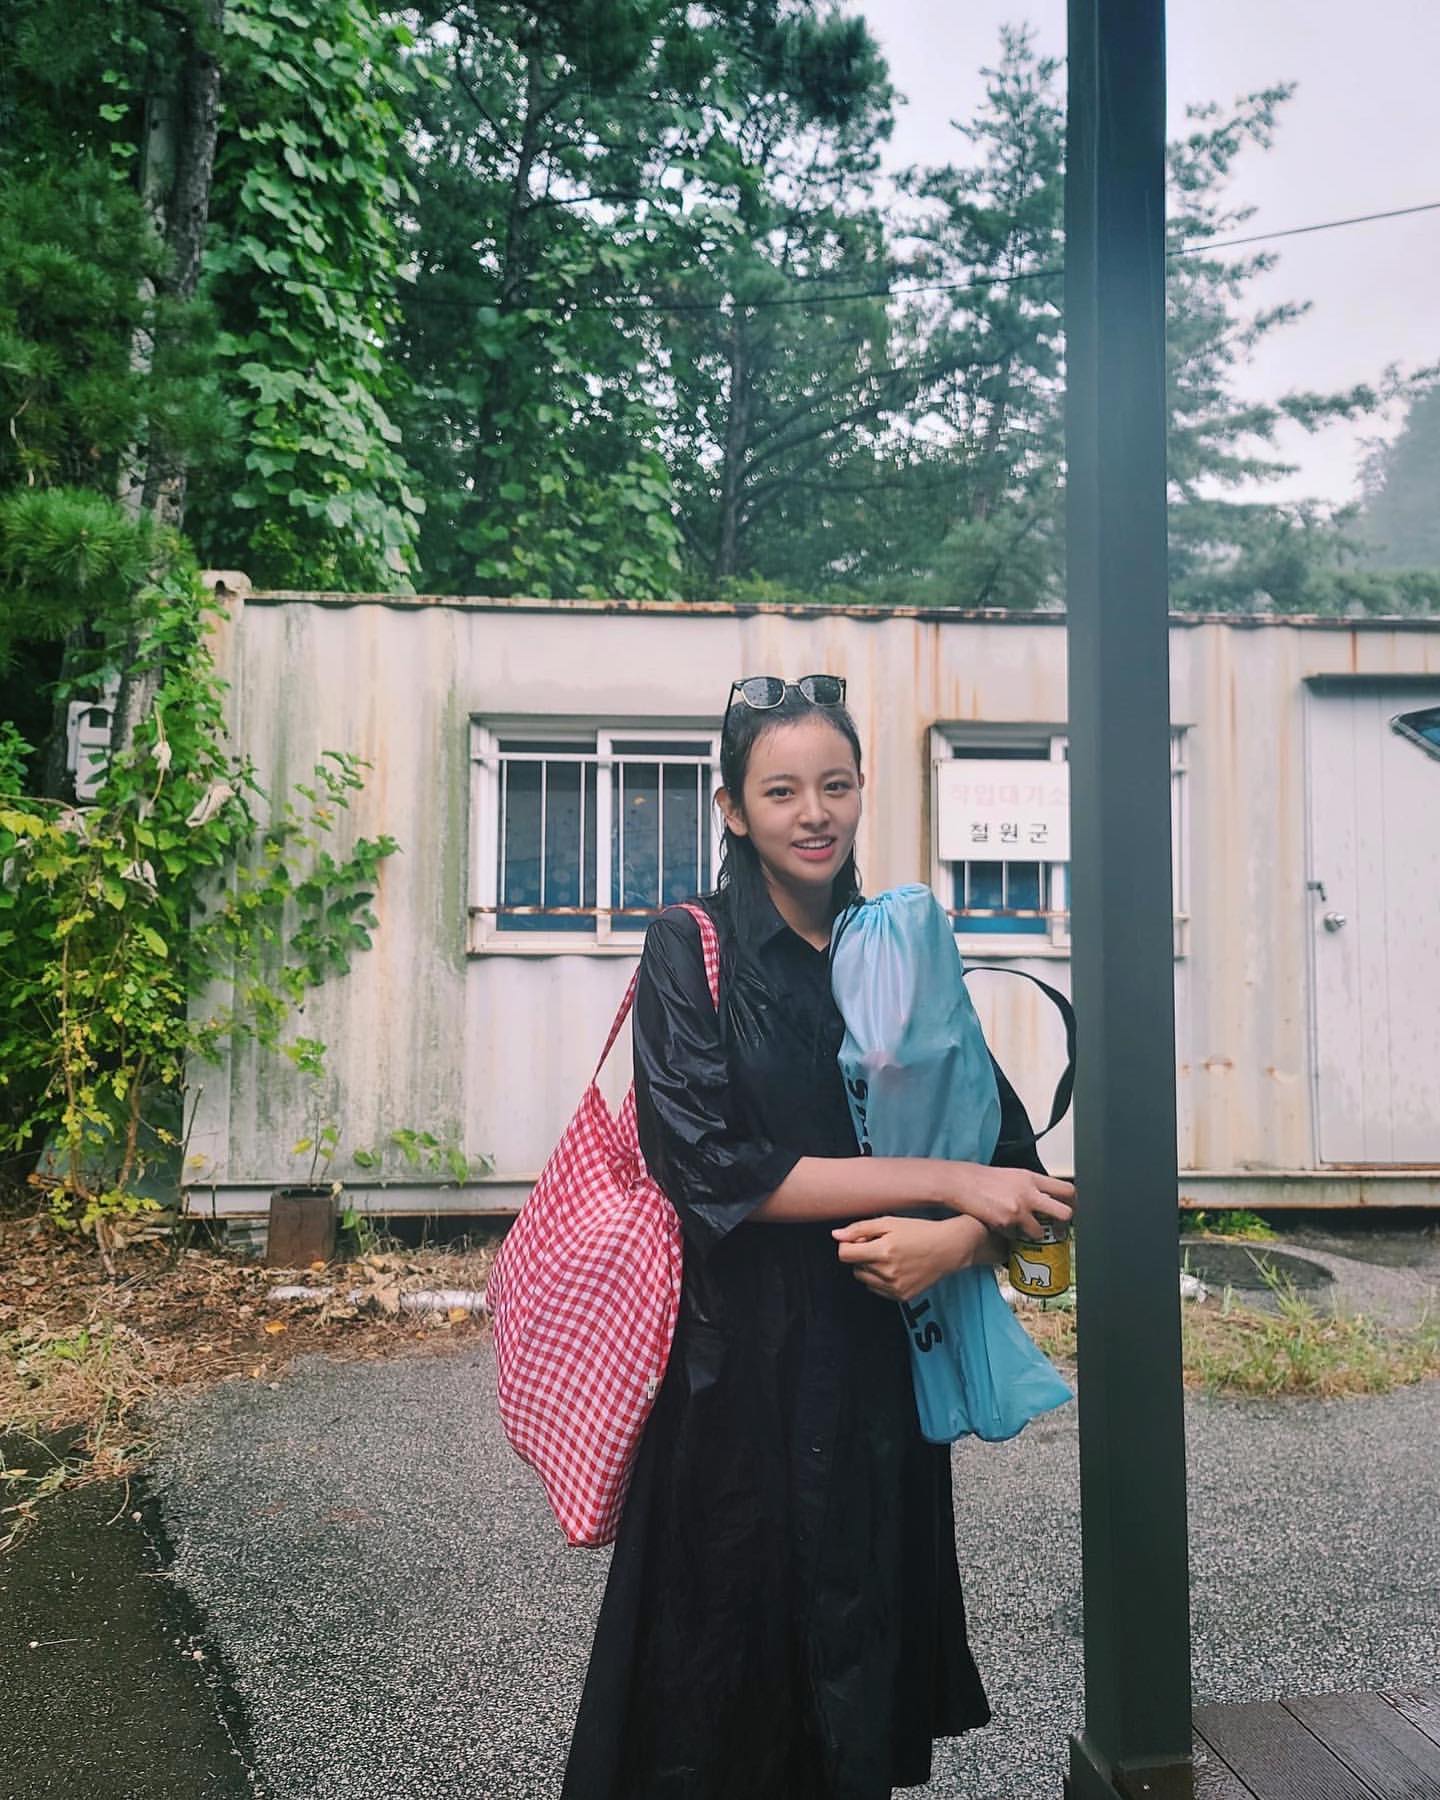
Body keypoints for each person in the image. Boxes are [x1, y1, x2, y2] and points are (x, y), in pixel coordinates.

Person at [560, 675, 1076, 1800]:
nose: (814, 814)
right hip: (731, 1382)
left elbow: (1020, 1174)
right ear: (734, 809)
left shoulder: (899, 948)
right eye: (782, 790)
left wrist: (953, 1244)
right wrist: (945, 1182)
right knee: (714, 1691)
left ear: (861, 791)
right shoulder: (688, 945)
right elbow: (712, 1169)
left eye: (835, 785)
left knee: (853, 1678)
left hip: (878, 1378)